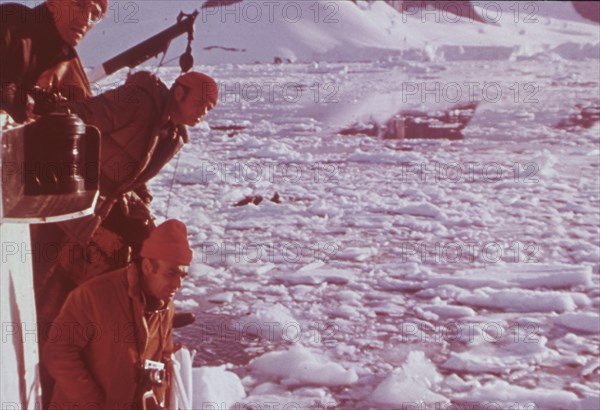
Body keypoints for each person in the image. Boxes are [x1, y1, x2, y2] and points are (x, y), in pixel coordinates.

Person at [35, 70, 218, 328]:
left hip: (109, 197)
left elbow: (138, 174)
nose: (203, 112)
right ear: (179, 93)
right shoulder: (139, 102)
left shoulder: (172, 135)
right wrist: (49, 112)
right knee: (44, 260)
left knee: (155, 244)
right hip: (74, 187)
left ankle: (151, 310)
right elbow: (86, 114)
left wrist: (142, 203)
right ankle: (27, 322)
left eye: (208, 108)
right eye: (200, 103)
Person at [44, 219, 192, 409]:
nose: (178, 285)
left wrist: (155, 396)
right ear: (147, 267)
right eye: (171, 273)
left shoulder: (165, 306)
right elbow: (58, 352)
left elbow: (163, 356)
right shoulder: (94, 295)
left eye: (182, 276)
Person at [0, 0, 107, 122]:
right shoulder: (10, 20)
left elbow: (87, 119)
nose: (86, 19)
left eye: (95, 14)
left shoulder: (67, 61)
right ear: (51, 3)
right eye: (79, 5)